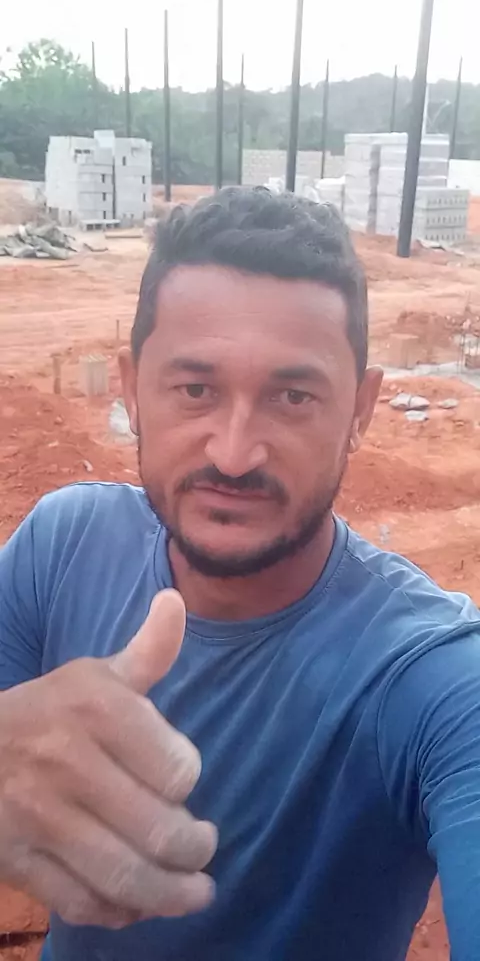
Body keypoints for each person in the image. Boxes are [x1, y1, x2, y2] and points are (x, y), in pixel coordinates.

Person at [0, 187, 479, 961]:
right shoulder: (62, 548)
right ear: (131, 389)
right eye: (196, 390)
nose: (233, 452)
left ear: (360, 410)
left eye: (292, 396)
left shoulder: (431, 679)